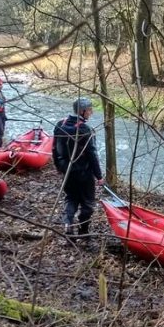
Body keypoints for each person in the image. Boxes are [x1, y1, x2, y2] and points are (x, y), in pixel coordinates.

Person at [53, 97, 104, 239]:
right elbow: (92, 154)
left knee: (71, 198)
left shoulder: (59, 124)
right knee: (88, 202)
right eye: (89, 110)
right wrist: (99, 176)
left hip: (67, 170)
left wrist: (58, 166)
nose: (91, 113)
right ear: (82, 111)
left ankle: (68, 224)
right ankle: (84, 230)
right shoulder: (85, 129)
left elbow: (54, 148)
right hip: (84, 173)